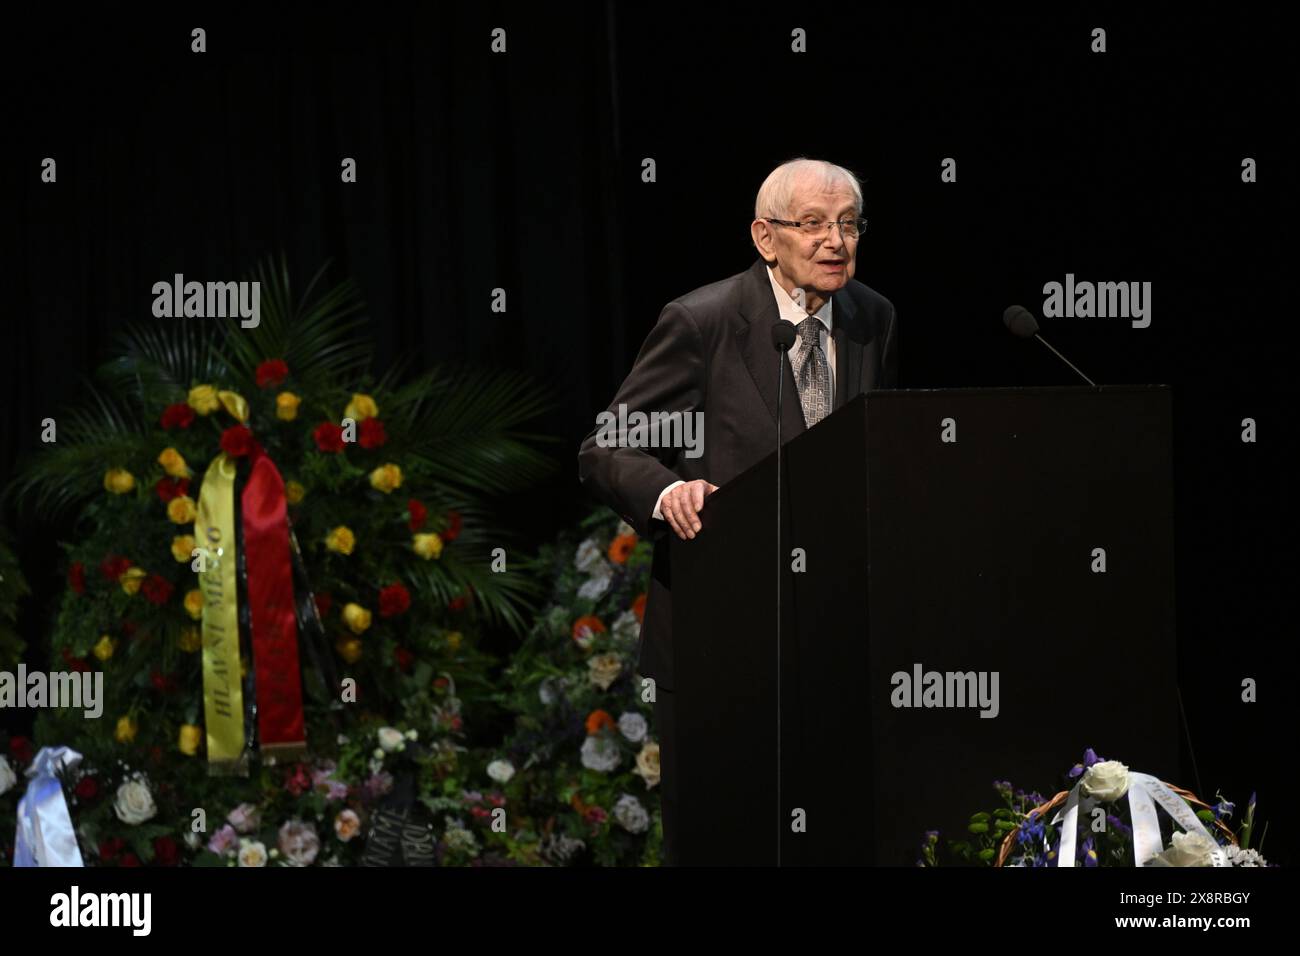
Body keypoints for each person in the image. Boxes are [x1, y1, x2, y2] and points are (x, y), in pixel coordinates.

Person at [577, 157, 898, 864]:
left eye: (848, 225)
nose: (834, 242)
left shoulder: (873, 318)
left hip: (833, 632)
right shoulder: (704, 320)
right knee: (725, 839)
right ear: (765, 236)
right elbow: (605, 448)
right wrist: (669, 492)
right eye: (812, 224)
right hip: (721, 624)